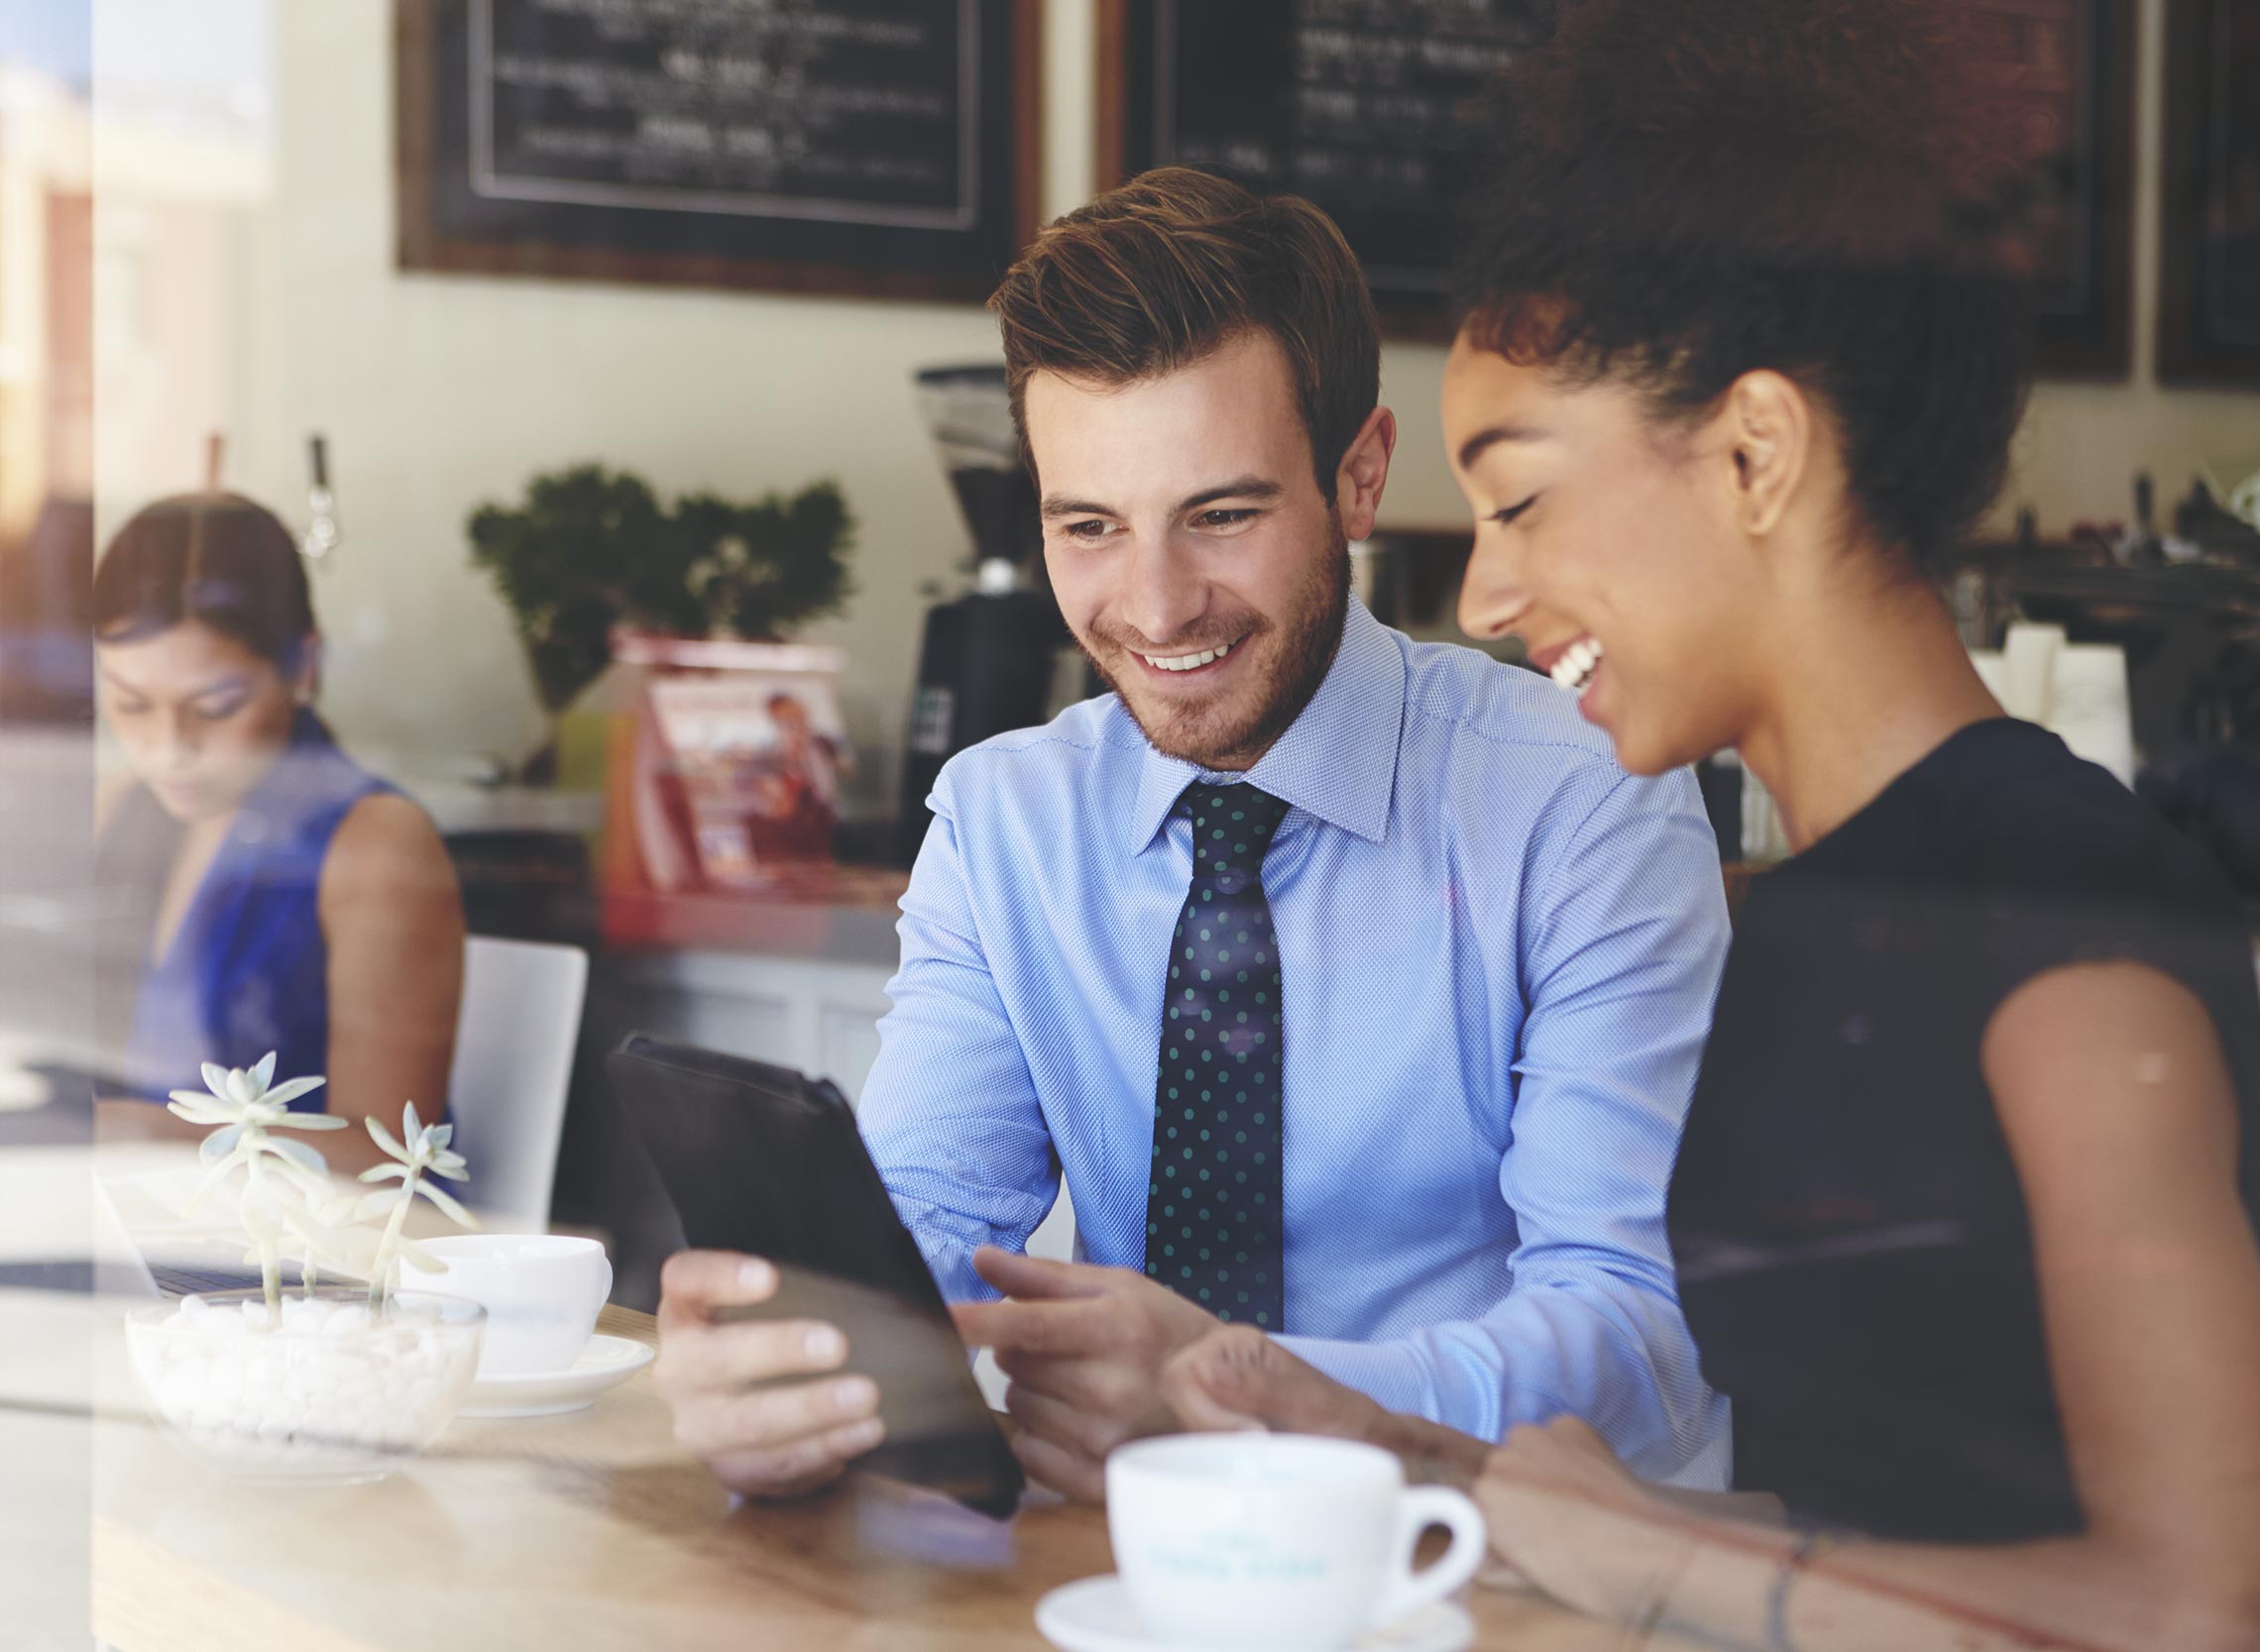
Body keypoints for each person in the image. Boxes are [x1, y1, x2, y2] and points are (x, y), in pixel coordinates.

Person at [1157, 3, 2260, 1648]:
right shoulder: (1820, 912)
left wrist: (1647, 1557)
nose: (1487, 590)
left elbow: (2197, 1600)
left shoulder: (2044, 903)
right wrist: (1418, 1460)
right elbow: (1901, 1524)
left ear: (1755, 451)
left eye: (1522, 498)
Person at [655, 168, 1735, 1504]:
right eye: (1089, 526)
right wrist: (793, 1353)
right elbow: (919, 1228)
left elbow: (1638, 1329)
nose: (1157, 606)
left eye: (1222, 514)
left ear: (1358, 478)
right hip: (1135, 1564)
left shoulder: (1587, 798)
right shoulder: (1006, 824)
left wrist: (1251, 1391)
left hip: (1492, 1567)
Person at [94, 491, 465, 1167]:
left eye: (216, 706)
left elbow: (388, 1166)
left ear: (304, 666)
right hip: (135, 1230)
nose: (167, 747)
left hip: (299, 1262)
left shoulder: (376, 845)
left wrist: (139, 1136)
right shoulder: (124, 810)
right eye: (130, 703)